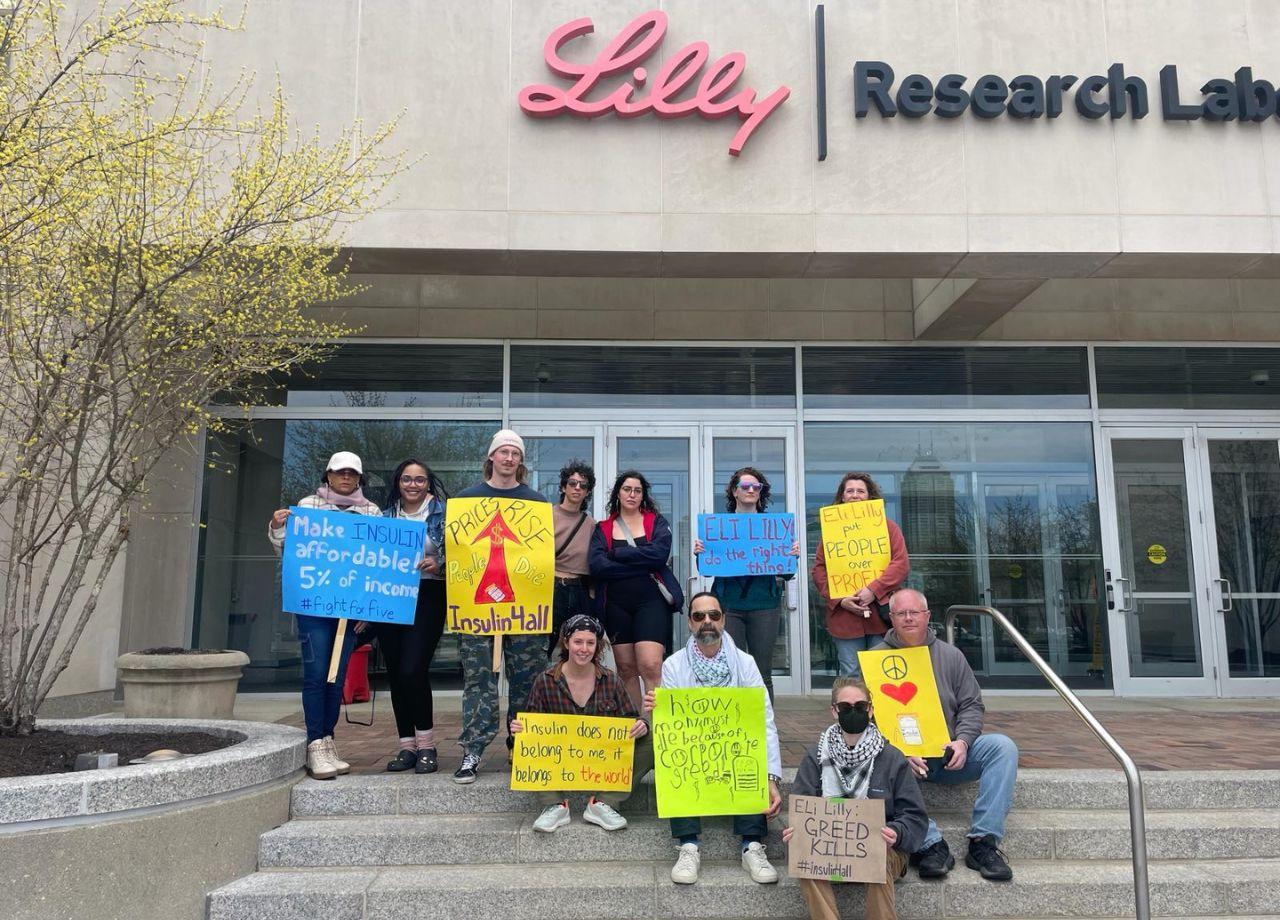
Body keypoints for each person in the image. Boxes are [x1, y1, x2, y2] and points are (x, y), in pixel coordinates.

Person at [875, 588, 1017, 882]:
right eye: (901, 613)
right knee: (875, 759)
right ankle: (929, 844)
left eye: (914, 612)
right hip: (904, 763)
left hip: (949, 753)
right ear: (891, 618)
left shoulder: (951, 656)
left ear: (927, 616)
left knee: (1003, 747)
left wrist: (963, 741)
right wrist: (897, 751)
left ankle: (983, 842)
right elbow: (867, 719)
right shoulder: (874, 660)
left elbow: (972, 705)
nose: (908, 618)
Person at [643, 591, 783, 887]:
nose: (707, 621)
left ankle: (752, 846)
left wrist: (771, 777)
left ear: (724, 620)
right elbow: (670, 729)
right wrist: (657, 711)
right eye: (699, 616)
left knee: (751, 752)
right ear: (690, 624)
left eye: (714, 615)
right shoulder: (673, 666)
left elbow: (764, 720)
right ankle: (688, 844)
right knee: (676, 756)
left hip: (734, 751)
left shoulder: (745, 663)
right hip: (695, 754)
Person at [268, 450, 382, 780]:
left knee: (337, 676)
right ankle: (315, 741)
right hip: (315, 607)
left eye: (352, 473)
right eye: (339, 472)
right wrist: (277, 527)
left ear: (359, 478)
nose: (346, 478)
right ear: (328, 475)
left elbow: (378, 564)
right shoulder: (307, 507)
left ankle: (328, 739)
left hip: (350, 611)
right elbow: (288, 553)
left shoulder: (372, 513)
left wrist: (369, 610)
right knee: (317, 673)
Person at [784, 675, 928, 920]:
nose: (854, 712)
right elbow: (802, 803)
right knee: (801, 855)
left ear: (870, 710)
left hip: (881, 848)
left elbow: (915, 816)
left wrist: (896, 831)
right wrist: (795, 829)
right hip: (827, 848)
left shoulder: (891, 757)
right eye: (845, 707)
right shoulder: (815, 755)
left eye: (860, 706)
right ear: (834, 711)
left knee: (878, 855)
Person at [452, 429, 551, 784]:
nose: (509, 458)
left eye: (515, 453)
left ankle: (522, 746)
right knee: (479, 679)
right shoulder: (466, 501)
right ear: (491, 457)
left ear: (520, 461)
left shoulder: (537, 504)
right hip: (478, 610)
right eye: (503, 452)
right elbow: (457, 553)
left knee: (528, 681)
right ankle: (474, 748)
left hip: (525, 611)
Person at [512, 614, 654, 833]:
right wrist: (519, 731)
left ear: (597, 647)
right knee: (528, 738)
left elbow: (629, 720)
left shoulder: (611, 680)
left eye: (590, 643)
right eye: (578, 642)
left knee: (651, 739)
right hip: (559, 763)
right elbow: (532, 726)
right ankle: (554, 804)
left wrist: (642, 724)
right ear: (567, 643)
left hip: (602, 762)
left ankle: (604, 803)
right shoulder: (545, 681)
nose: (584, 649)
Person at [692, 466, 800, 700]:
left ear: (761, 492)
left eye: (756, 487)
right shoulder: (718, 528)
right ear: (734, 492)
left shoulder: (775, 529)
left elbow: (788, 574)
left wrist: (791, 556)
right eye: (745, 486)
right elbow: (708, 568)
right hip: (728, 606)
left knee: (762, 672)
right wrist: (701, 553)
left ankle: (764, 729)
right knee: (730, 667)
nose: (751, 490)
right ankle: (734, 727)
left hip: (764, 606)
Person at [376, 458, 448, 775]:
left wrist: (439, 563)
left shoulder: (444, 513)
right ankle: (407, 746)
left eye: (419, 480)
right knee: (395, 673)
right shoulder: (384, 516)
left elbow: (464, 551)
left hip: (429, 595)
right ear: (398, 482)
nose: (413, 485)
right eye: (407, 479)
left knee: (412, 669)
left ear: (428, 484)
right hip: (389, 596)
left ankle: (428, 745)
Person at [589, 470, 683, 709]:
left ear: (643, 495)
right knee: (626, 668)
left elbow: (659, 555)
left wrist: (620, 554)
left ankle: (659, 727)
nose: (632, 494)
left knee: (651, 665)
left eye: (637, 490)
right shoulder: (604, 528)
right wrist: (640, 564)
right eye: (627, 489)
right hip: (616, 605)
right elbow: (598, 566)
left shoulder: (656, 522)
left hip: (651, 602)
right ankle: (637, 727)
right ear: (618, 493)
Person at [811, 472, 910, 677]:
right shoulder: (831, 532)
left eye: (860, 491)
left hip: (881, 616)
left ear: (869, 496)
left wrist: (873, 590)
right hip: (845, 617)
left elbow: (900, 563)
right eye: (850, 491)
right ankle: (852, 710)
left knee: (882, 673)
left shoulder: (888, 527)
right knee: (851, 673)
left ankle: (880, 711)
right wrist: (839, 599)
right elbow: (819, 569)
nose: (855, 495)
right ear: (842, 497)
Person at [547, 460, 597, 658]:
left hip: (579, 589)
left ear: (587, 492)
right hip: (550, 587)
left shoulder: (592, 524)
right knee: (545, 645)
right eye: (572, 483)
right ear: (563, 486)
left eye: (583, 485)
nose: (577, 488)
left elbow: (595, 563)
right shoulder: (546, 515)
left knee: (578, 648)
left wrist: (592, 594)